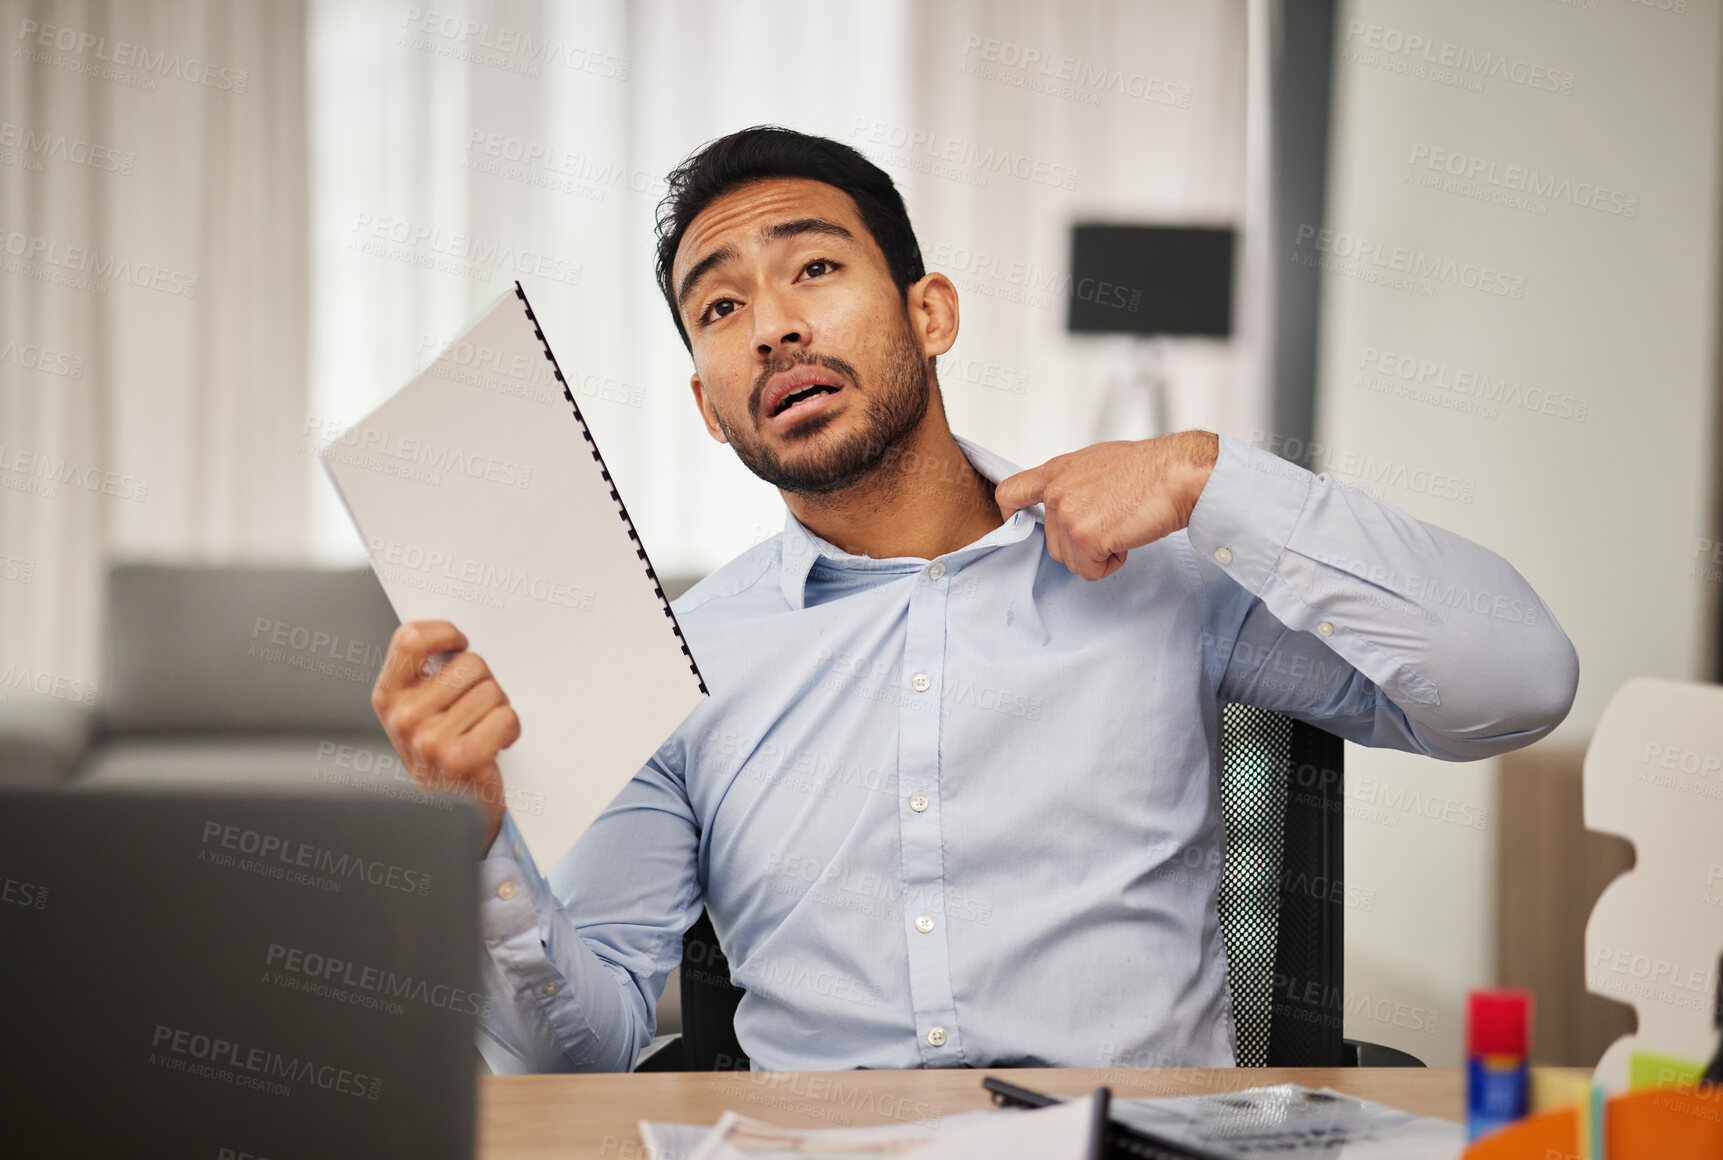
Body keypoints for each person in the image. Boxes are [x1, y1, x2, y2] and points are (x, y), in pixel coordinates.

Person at [369, 125, 1579, 1074]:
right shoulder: (677, 662)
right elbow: (572, 1058)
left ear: (928, 311)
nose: (773, 326)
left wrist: (1213, 476)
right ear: (707, 402)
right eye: (720, 308)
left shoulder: (1160, 575)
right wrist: (474, 843)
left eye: (816, 268)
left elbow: (1515, 685)